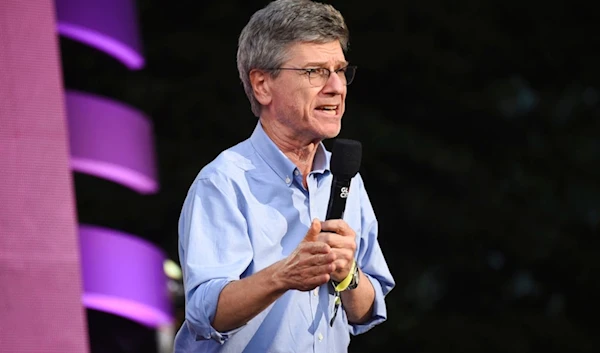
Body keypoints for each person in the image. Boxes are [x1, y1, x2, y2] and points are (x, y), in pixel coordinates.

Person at [173, 0, 395, 352]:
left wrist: (347, 274)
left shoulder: (346, 179)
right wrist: (284, 275)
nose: (337, 87)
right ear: (262, 84)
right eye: (316, 72)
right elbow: (205, 314)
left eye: (341, 70)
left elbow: (366, 310)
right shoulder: (224, 183)